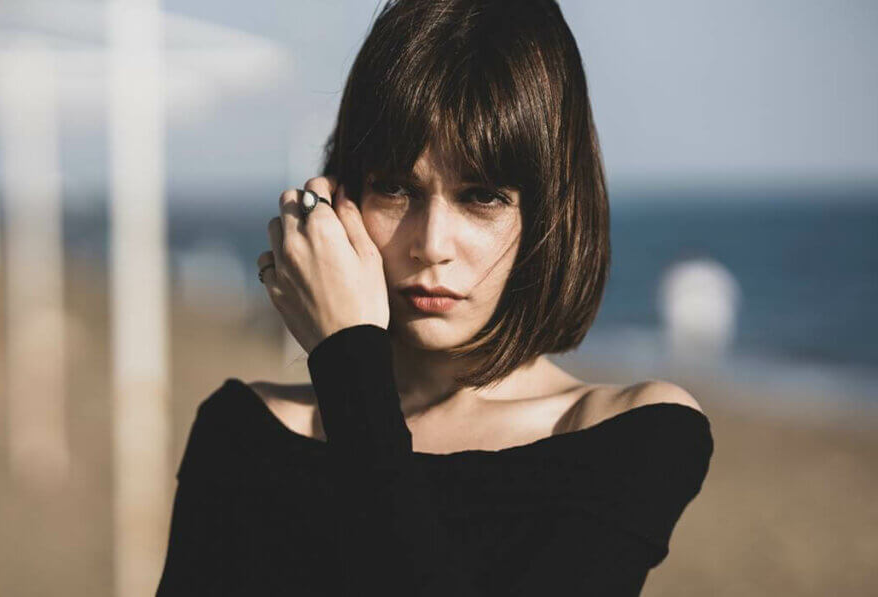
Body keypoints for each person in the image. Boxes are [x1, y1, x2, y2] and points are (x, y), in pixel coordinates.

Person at [156, 0, 713, 595]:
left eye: (482, 196)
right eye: (396, 188)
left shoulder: (631, 437)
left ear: (551, 214)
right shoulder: (246, 433)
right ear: (341, 195)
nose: (430, 243)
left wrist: (348, 359)